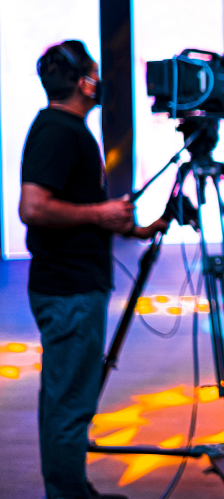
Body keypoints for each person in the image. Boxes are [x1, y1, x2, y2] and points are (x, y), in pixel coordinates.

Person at [19, 41, 169, 499]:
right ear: (84, 82)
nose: (100, 81)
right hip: (70, 291)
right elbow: (34, 206)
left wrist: (132, 227)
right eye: (95, 73)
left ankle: (70, 489)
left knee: (64, 398)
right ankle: (67, 495)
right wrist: (101, 215)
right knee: (69, 404)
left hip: (70, 286)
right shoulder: (60, 130)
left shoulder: (63, 128)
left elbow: (76, 209)